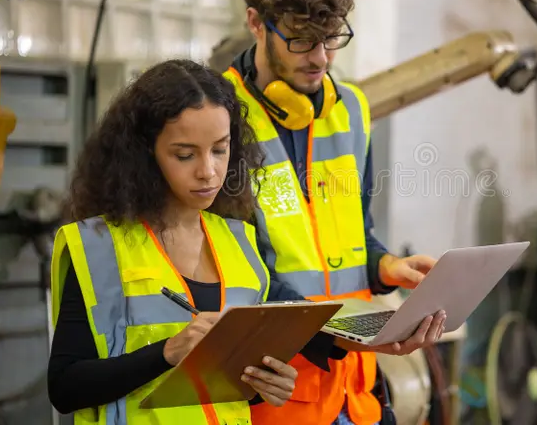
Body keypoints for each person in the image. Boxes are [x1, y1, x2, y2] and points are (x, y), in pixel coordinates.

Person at [222, 0, 447, 425]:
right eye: (301, 40)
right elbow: (236, 274)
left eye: (331, 39)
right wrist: (333, 331)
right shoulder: (217, 120)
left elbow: (352, 238)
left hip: (356, 395)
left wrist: (388, 266)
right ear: (256, 23)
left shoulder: (350, 110)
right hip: (278, 402)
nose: (320, 58)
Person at [46, 60, 342, 425]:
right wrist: (168, 352)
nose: (208, 170)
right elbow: (64, 389)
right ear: (144, 154)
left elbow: (212, 395)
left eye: (220, 149)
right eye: (185, 155)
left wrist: (263, 385)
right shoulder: (99, 248)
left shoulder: (238, 242)